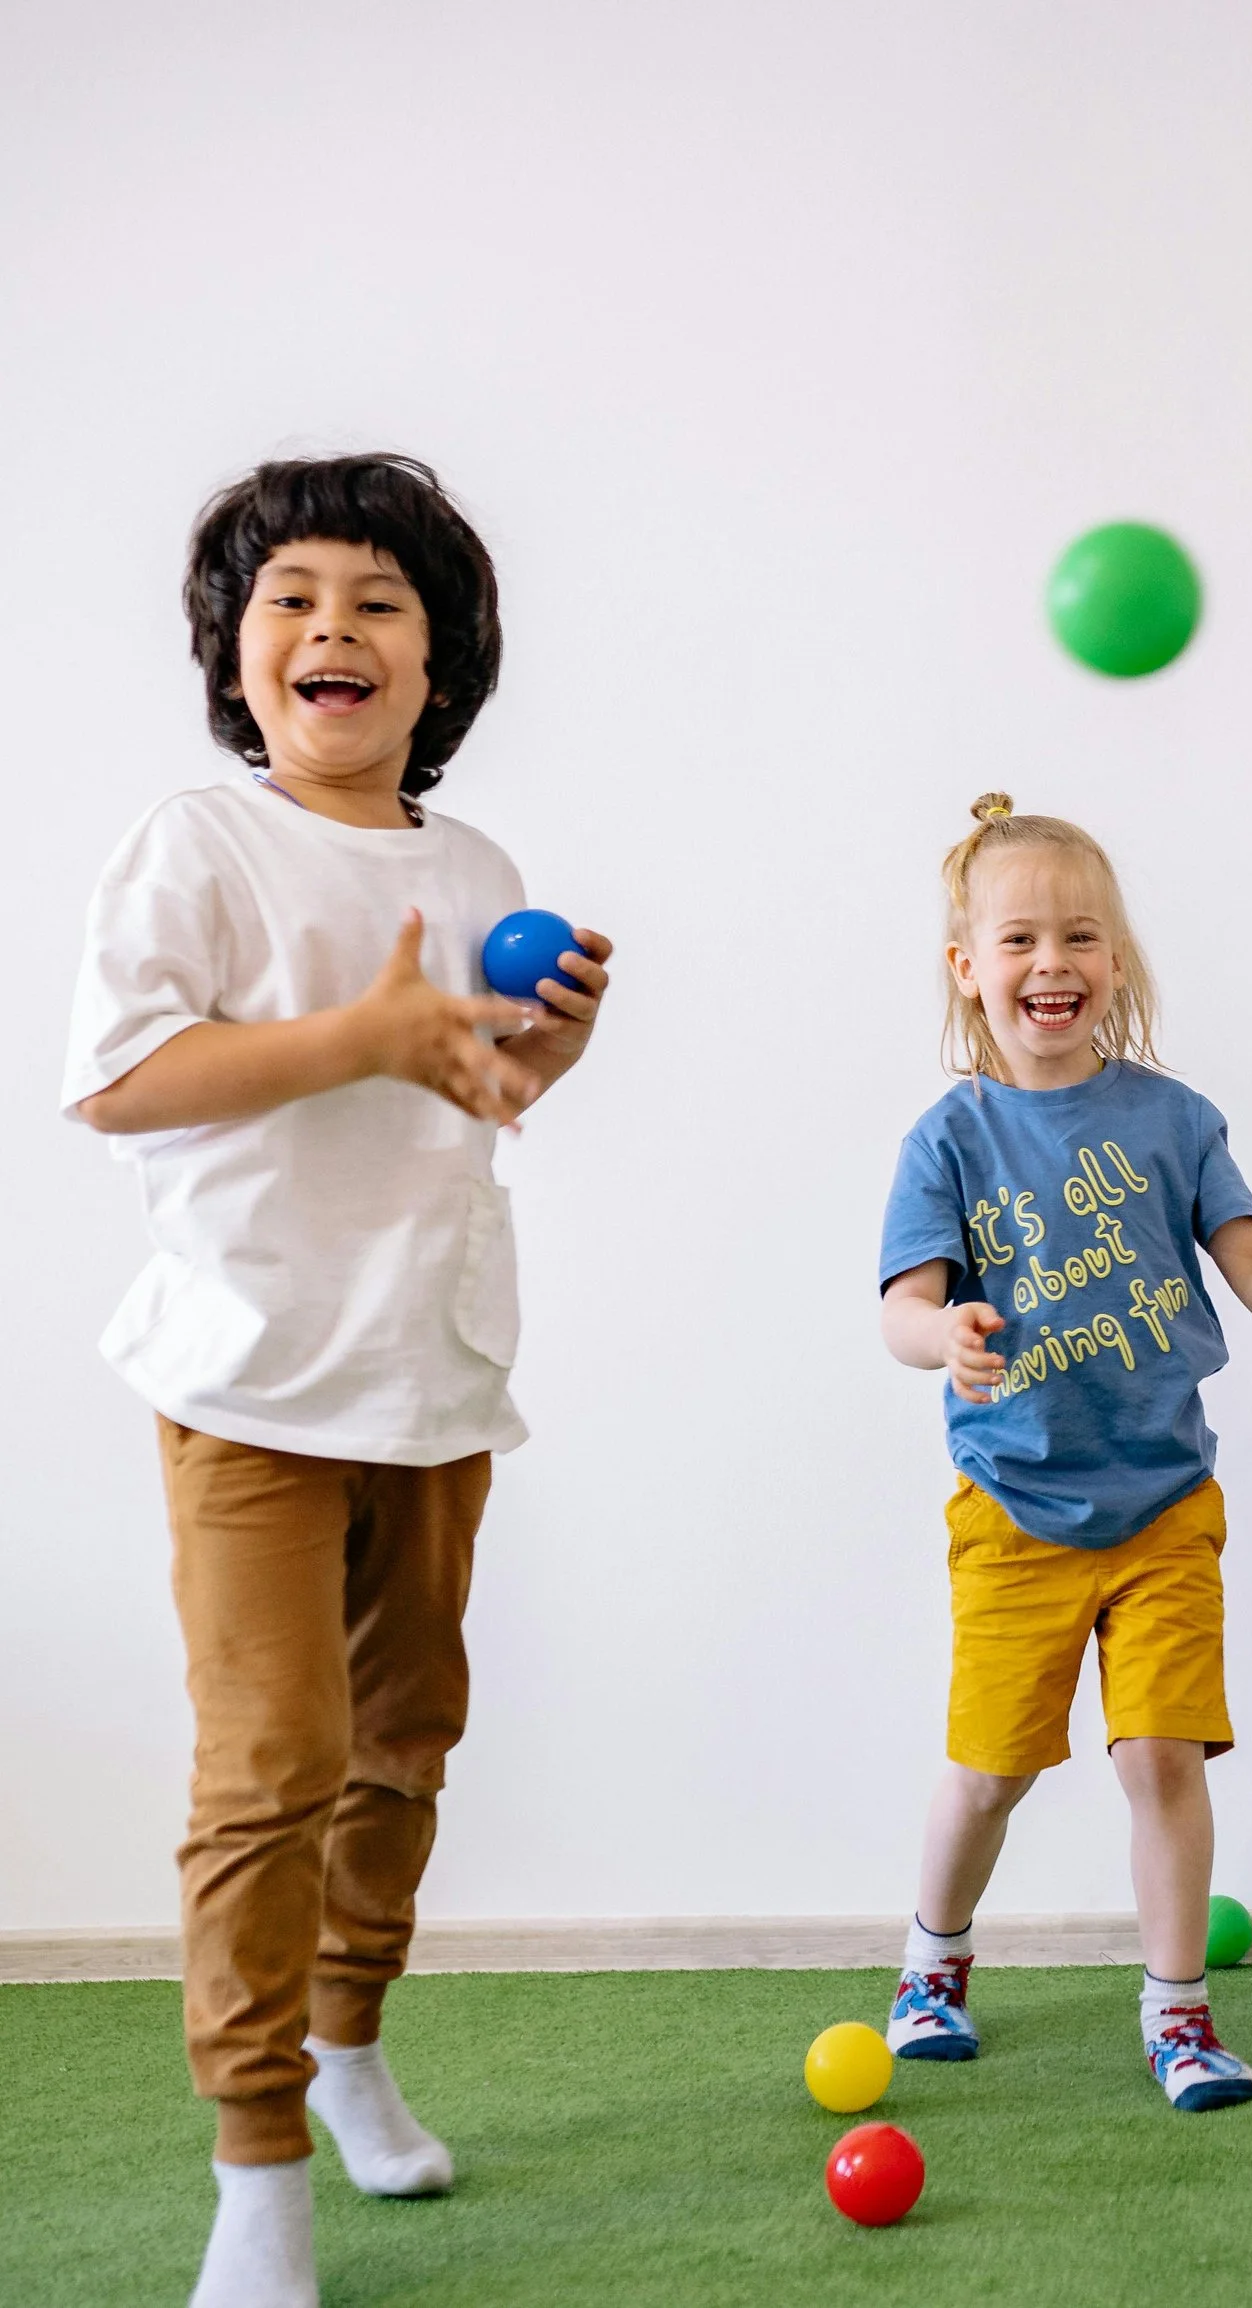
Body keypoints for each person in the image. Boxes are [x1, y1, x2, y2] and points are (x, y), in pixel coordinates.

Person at [61, 455, 614, 2308]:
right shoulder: (195, 847)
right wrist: (357, 1031)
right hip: (247, 1385)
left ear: (438, 666)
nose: (334, 628)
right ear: (240, 654)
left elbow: (475, 1101)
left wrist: (540, 1052)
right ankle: (258, 2159)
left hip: (432, 1375)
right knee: (268, 1766)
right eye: (292, 597)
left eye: (379, 603)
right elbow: (123, 1080)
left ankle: (354, 2038)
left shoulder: (477, 870)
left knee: (400, 1750)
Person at [877, 794, 1252, 2111]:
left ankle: (1179, 2015)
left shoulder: (1174, 1119)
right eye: (1020, 941)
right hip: (1015, 1508)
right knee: (990, 1773)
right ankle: (932, 1964)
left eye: (1081, 937)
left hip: (1168, 1503)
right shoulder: (950, 1138)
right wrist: (947, 1337)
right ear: (969, 969)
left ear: (1118, 963)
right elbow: (899, 1310)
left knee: (1160, 1757)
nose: (1051, 964)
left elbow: (1247, 1249)